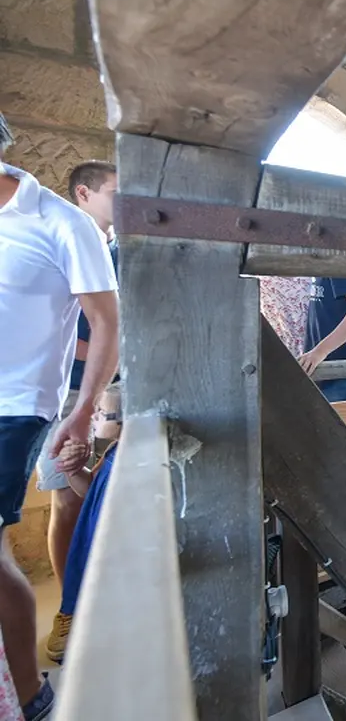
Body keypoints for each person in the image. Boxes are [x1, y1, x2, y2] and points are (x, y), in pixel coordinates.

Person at [0, 112, 118, 720]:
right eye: (115, 195)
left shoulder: (65, 227)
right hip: (64, 402)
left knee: (82, 497)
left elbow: (109, 325)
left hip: (30, 406)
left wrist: (86, 406)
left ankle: (36, 683)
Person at [35, 161, 118, 594]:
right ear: (83, 194)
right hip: (68, 392)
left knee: (107, 487)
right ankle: (69, 604)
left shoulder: (116, 252)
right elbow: (50, 330)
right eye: (113, 193)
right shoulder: (59, 244)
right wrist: (112, 357)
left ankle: (101, 589)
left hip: (112, 391)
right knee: (66, 498)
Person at [43, 384, 121, 664]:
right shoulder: (112, 451)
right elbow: (90, 489)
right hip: (91, 542)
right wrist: (74, 470)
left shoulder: (136, 462)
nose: (95, 417)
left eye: (102, 413)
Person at [299, 277, 346, 448]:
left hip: (344, 372)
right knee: (344, 445)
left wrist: (320, 351)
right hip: (328, 371)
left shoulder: (338, 260)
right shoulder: (322, 266)